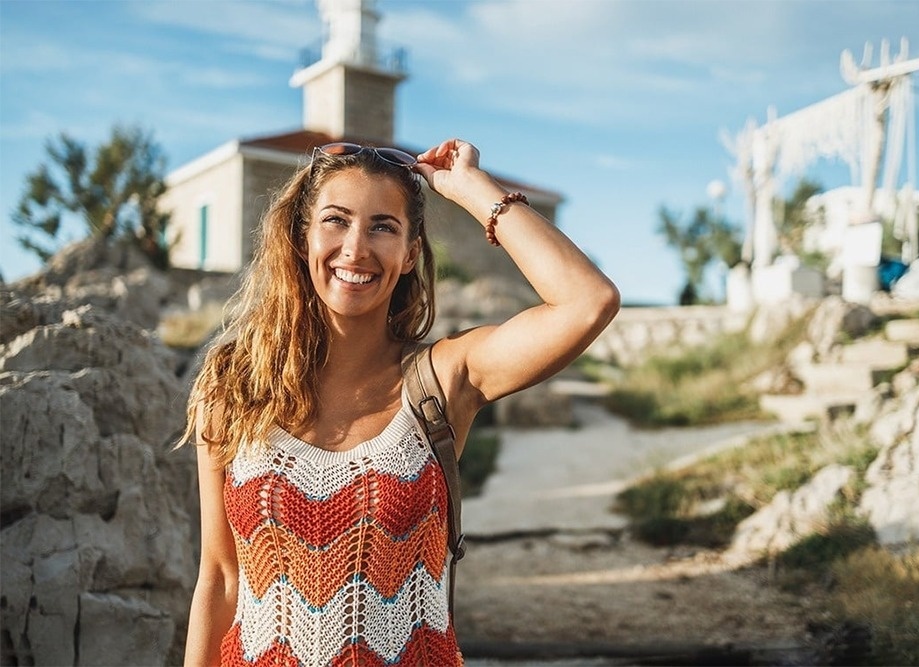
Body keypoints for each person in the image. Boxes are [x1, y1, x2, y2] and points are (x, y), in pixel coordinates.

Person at [180, 138, 620, 666]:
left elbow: (588, 300)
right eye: (336, 220)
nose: (356, 248)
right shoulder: (233, 385)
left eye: (383, 226)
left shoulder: (445, 379)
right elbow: (221, 578)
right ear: (302, 237)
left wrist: (473, 190)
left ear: (411, 253)